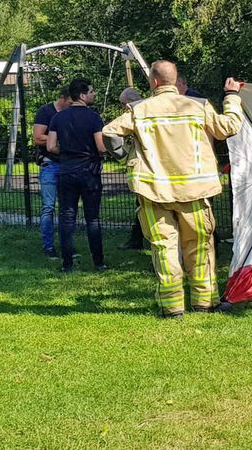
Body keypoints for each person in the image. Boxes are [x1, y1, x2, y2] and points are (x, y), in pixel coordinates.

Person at [103, 60, 244, 318]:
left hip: (153, 191)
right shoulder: (198, 106)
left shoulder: (139, 109)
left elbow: (109, 133)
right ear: (175, 80)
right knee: (199, 245)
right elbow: (229, 128)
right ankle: (204, 302)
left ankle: (172, 307)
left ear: (154, 82)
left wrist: (125, 158)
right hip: (195, 190)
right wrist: (232, 97)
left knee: (164, 247)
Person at [46, 78, 107, 272]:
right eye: (91, 91)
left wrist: (67, 151)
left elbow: (50, 146)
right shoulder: (94, 118)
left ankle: (67, 264)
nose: (94, 94)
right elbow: (100, 146)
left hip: (66, 172)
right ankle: (98, 262)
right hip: (90, 172)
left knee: (66, 217)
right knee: (93, 219)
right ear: (82, 95)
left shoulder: (58, 117)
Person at [32, 87, 70, 258]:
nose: (71, 105)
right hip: (50, 164)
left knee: (66, 208)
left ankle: (67, 245)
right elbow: (38, 137)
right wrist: (58, 139)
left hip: (67, 164)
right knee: (48, 207)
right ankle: (48, 246)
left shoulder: (70, 113)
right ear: (62, 98)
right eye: (69, 102)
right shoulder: (46, 111)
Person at [116, 87, 147, 250]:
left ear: (128, 102)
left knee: (147, 209)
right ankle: (136, 239)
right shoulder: (150, 109)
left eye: (122, 104)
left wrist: (119, 154)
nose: (122, 108)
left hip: (144, 169)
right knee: (141, 208)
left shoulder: (135, 113)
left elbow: (111, 132)